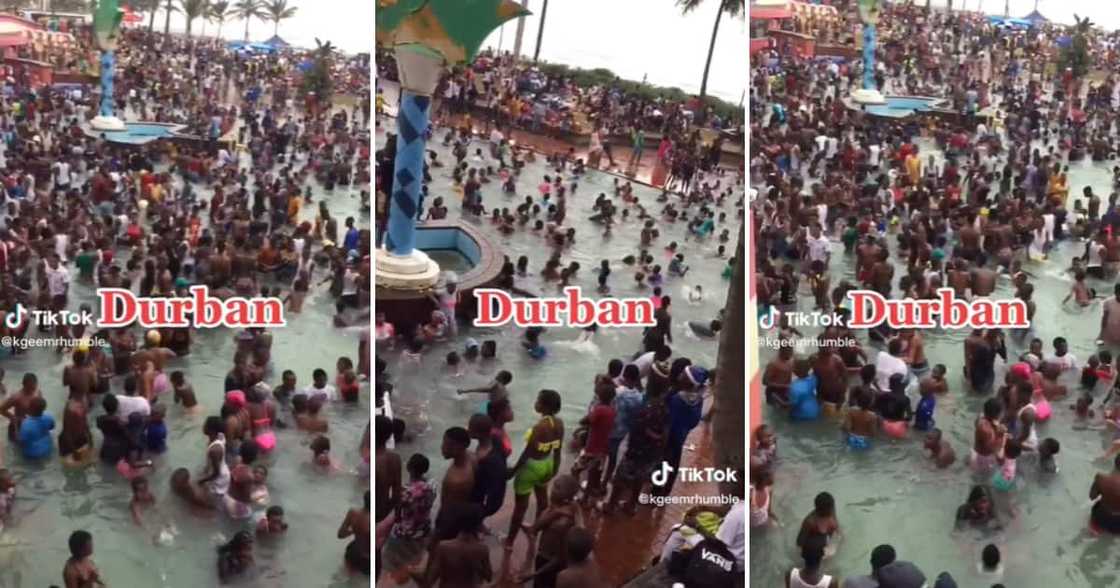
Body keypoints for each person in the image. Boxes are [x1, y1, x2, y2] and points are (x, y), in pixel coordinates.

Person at [338, 490, 371, 574]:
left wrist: (354, 530)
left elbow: (340, 535)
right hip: (367, 557)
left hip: (352, 552)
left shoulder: (352, 513)